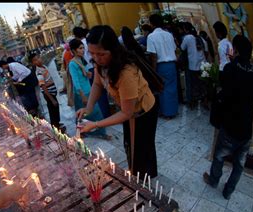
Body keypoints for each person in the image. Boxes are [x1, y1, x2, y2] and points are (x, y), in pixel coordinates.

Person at [76, 25, 158, 178]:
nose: (96, 58)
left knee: (139, 148)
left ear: (113, 49)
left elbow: (127, 113)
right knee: (132, 144)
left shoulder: (126, 72)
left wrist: (95, 124)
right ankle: (144, 172)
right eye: (92, 53)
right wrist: (89, 107)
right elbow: (97, 83)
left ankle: (141, 178)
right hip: (130, 110)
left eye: (101, 54)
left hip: (143, 111)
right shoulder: (99, 64)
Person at [203, 35, 253, 199]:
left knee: (220, 156)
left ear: (235, 50)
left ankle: (214, 180)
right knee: (239, 165)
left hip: (230, 124)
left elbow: (224, 85)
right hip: (246, 127)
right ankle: (228, 191)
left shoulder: (230, 68)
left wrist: (232, 61)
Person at [68, 38, 111, 140]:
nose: (83, 50)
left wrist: (88, 74)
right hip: (81, 93)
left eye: (83, 48)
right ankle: (84, 131)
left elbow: (88, 75)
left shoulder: (82, 60)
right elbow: (75, 81)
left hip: (88, 90)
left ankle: (100, 132)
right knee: (84, 114)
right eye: (80, 48)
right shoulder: (72, 63)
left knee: (92, 113)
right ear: (74, 50)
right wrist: (82, 95)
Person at [146, 14, 178, 119]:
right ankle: (173, 110)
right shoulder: (169, 34)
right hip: (171, 64)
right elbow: (174, 49)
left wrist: (153, 71)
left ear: (151, 24)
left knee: (162, 89)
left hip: (161, 65)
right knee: (172, 88)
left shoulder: (151, 36)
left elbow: (153, 56)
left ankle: (167, 112)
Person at [29, 52, 64, 131]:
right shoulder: (38, 72)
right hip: (49, 93)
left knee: (55, 108)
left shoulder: (43, 67)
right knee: (52, 110)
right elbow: (43, 86)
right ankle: (56, 127)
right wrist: (51, 99)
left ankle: (57, 123)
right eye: (35, 60)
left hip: (52, 91)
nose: (38, 60)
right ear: (33, 63)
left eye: (38, 58)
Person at [180, 22, 207, 108]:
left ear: (185, 29)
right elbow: (206, 51)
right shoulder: (200, 38)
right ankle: (204, 100)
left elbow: (182, 48)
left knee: (193, 85)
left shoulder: (187, 38)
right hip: (202, 65)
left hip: (193, 66)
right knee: (202, 84)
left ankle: (193, 103)